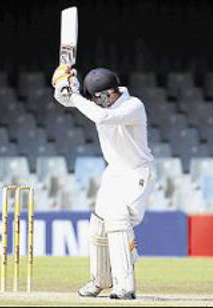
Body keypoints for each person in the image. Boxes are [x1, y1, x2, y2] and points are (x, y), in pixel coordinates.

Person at [51, 66, 156, 300]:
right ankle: (100, 280)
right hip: (114, 174)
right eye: (95, 98)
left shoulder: (133, 106)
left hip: (137, 173)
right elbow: (67, 100)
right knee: (98, 224)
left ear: (109, 93)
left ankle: (125, 286)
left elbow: (103, 117)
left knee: (117, 221)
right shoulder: (98, 104)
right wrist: (61, 83)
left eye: (99, 97)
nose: (97, 102)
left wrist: (76, 95)